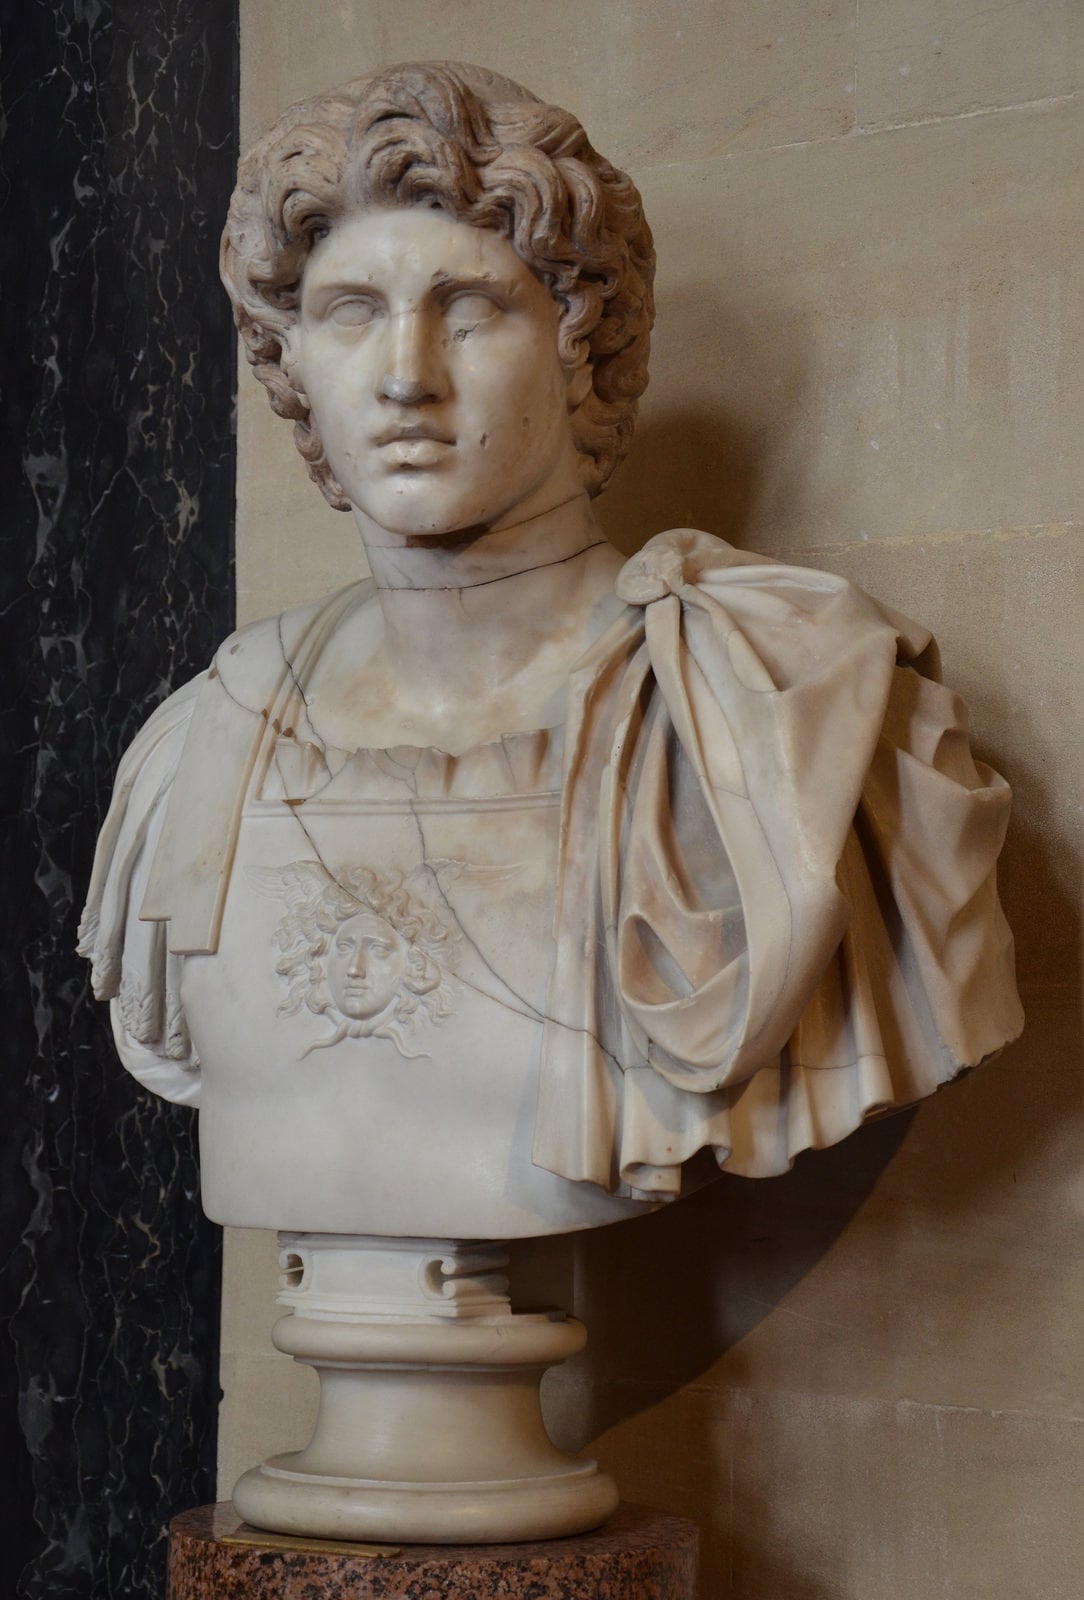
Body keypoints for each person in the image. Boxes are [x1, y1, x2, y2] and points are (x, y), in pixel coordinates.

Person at [80, 63, 1022, 1233]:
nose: (403, 379)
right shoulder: (197, 747)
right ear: (289, 361)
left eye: (470, 310)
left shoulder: (779, 705)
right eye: (349, 312)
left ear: (584, 345)